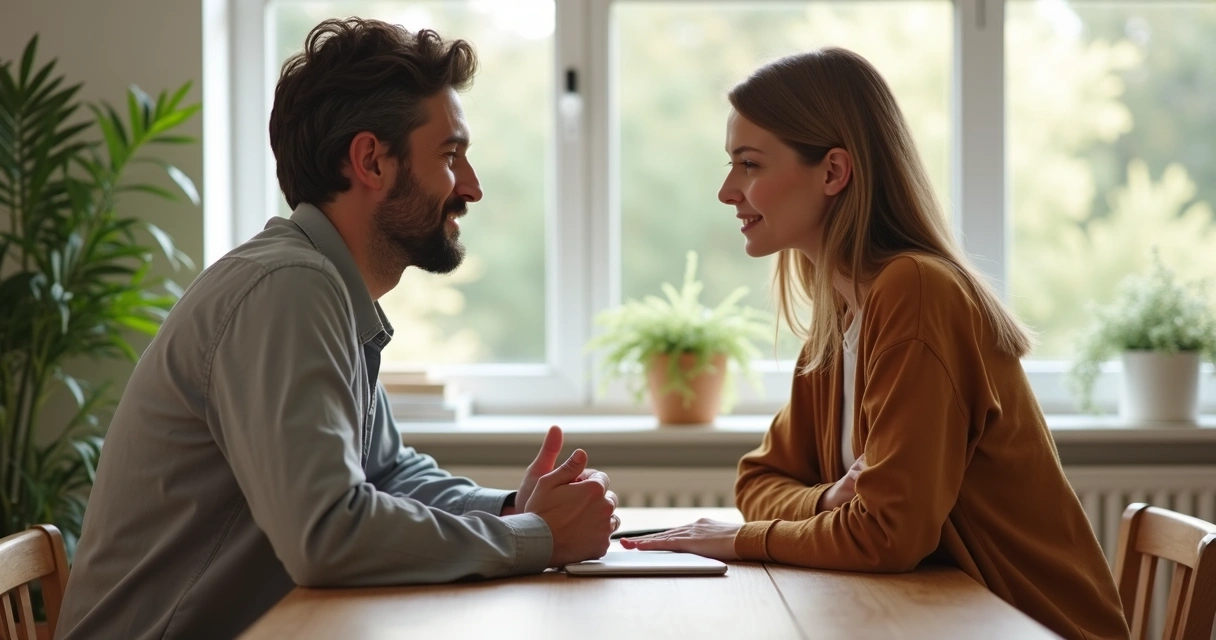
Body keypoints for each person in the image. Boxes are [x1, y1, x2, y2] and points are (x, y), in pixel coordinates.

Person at [56, 18, 617, 640]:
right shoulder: (289, 288)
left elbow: (388, 474)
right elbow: (327, 534)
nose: (472, 187)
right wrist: (535, 537)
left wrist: (516, 509)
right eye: (451, 155)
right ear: (372, 160)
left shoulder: (319, 283)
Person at [620, 47, 1129, 640]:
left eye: (750, 164)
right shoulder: (842, 311)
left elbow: (886, 536)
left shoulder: (916, 292)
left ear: (834, 172)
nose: (727, 190)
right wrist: (828, 499)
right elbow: (758, 482)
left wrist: (739, 539)